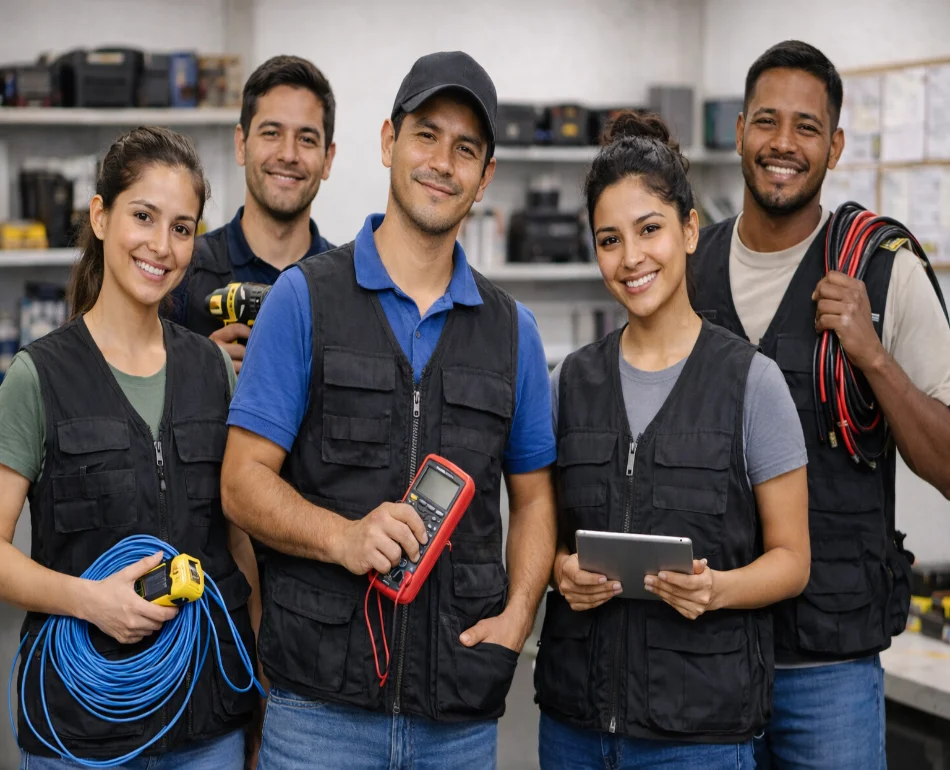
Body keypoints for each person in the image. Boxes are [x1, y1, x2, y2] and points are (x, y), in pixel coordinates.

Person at [219, 51, 557, 770]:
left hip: (457, 713)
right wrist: (342, 537)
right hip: (318, 711)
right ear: (386, 142)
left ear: (486, 175)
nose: (443, 161)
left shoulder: (512, 331)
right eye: (426, 135)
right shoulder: (304, 299)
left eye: (466, 148)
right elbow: (242, 481)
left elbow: (533, 502)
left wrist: (519, 615)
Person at [690, 40, 950, 769]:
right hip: (701, 655)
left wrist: (870, 353)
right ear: (740, 130)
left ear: (834, 146)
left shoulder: (885, 273)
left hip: (829, 667)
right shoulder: (687, 270)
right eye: (766, 121)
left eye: (807, 127)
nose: (783, 143)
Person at [533, 111, 811, 770]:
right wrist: (560, 572)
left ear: (689, 230)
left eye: (649, 229)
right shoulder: (570, 380)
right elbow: (540, 535)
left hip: (699, 736)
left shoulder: (752, 383)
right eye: (608, 239)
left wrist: (719, 589)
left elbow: (793, 560)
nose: (630, 259)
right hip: (575, 724)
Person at [0, 127, 261, 769]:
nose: (161, 246)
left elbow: (238, 542)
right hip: (83, 730)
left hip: (207, 725)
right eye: (143, 216)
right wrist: (91, 601)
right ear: (100, 215)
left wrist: (259, 689)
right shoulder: (40, 377)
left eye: (181, 227)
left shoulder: (212, 371)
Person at [171, 55, 337, 372]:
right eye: (271, 133)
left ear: (327, 158)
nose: (288, 154)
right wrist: (194, 370)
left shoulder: (347, 288)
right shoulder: (182, 271)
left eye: (306, 139)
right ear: (241, 144)